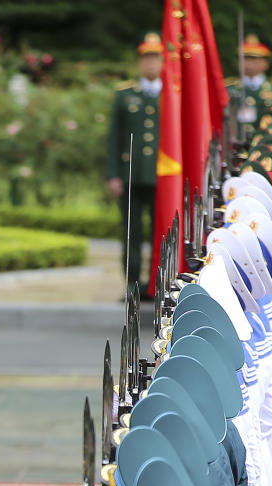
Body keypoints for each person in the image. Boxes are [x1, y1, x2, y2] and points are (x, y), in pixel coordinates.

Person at [106, 31, 162, 296]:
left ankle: (156, 283)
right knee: (131, 234)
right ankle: (132, 284)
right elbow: (114, 138)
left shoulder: (173, 94)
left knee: (160, 232)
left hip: (162, 175)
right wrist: (113, 175)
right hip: (131, 174)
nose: (151, 64)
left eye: (156, 58)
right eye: (147, 58)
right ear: (140, 62)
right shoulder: (125, 94)